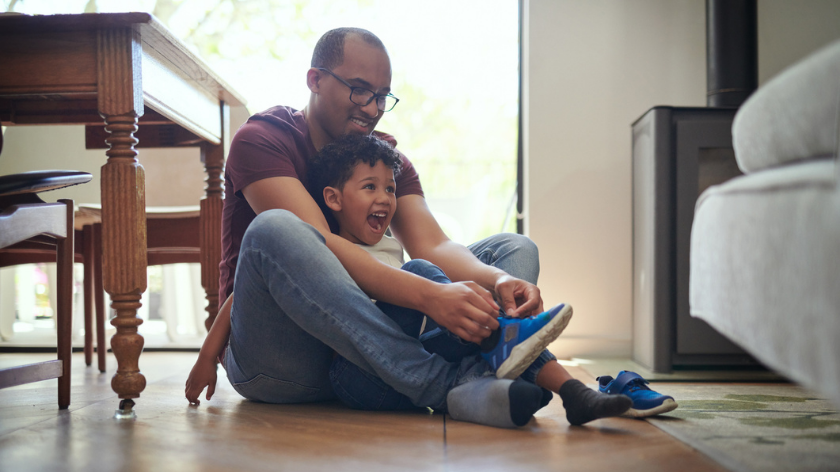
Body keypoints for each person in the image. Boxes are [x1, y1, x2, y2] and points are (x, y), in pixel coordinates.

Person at [185, 27, 631, 427]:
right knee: (275, 230)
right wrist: (433, 296)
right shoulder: (263, 139)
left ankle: (484, 379)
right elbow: (323, 248)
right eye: (359, 90)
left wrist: (500, 280)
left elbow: (432, 245)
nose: (373, 108)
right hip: (282, 361)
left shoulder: (383, 159)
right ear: (315, 79)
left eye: (382, 96)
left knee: (513, 249)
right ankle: (452, 386)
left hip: (368, 362)